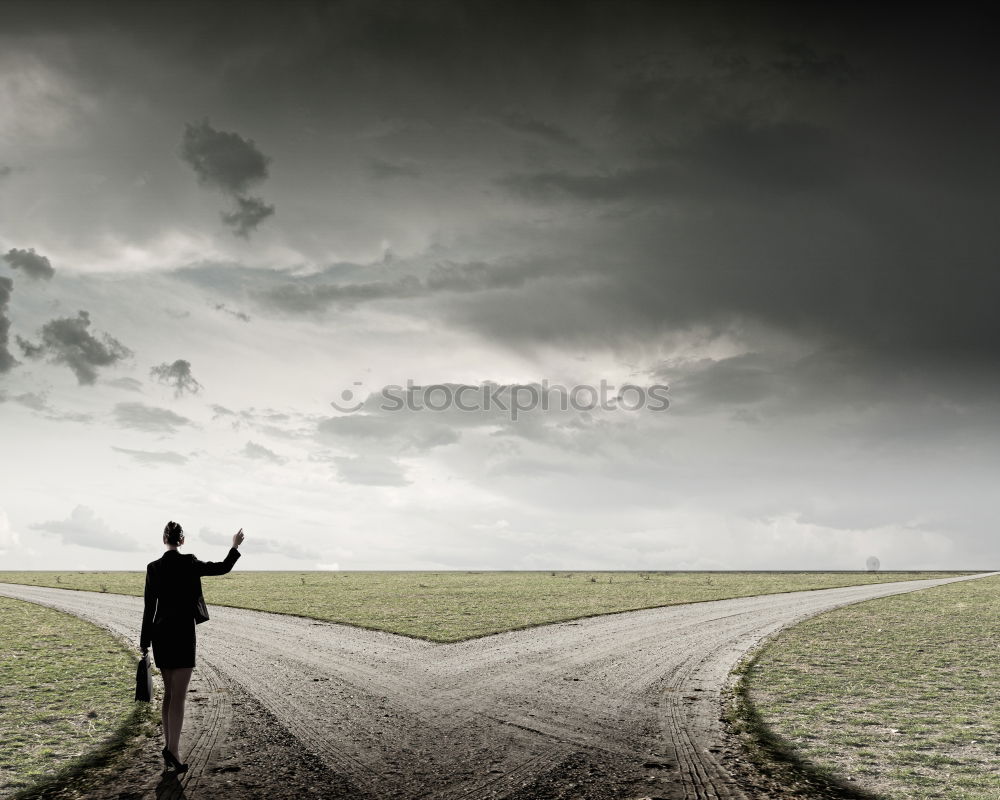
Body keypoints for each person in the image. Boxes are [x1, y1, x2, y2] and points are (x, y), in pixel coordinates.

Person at [139, 521, 245, 773]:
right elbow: (222, 568)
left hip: (161, 633)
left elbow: (148, 608)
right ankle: (173, 751)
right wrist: (234, 546)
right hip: (183, 633)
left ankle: (169, 746)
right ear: (182, 540)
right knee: (179, 696)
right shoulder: (189, 562)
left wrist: (144, 643)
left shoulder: (153, 567)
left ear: (164, 539)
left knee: (169, 693)